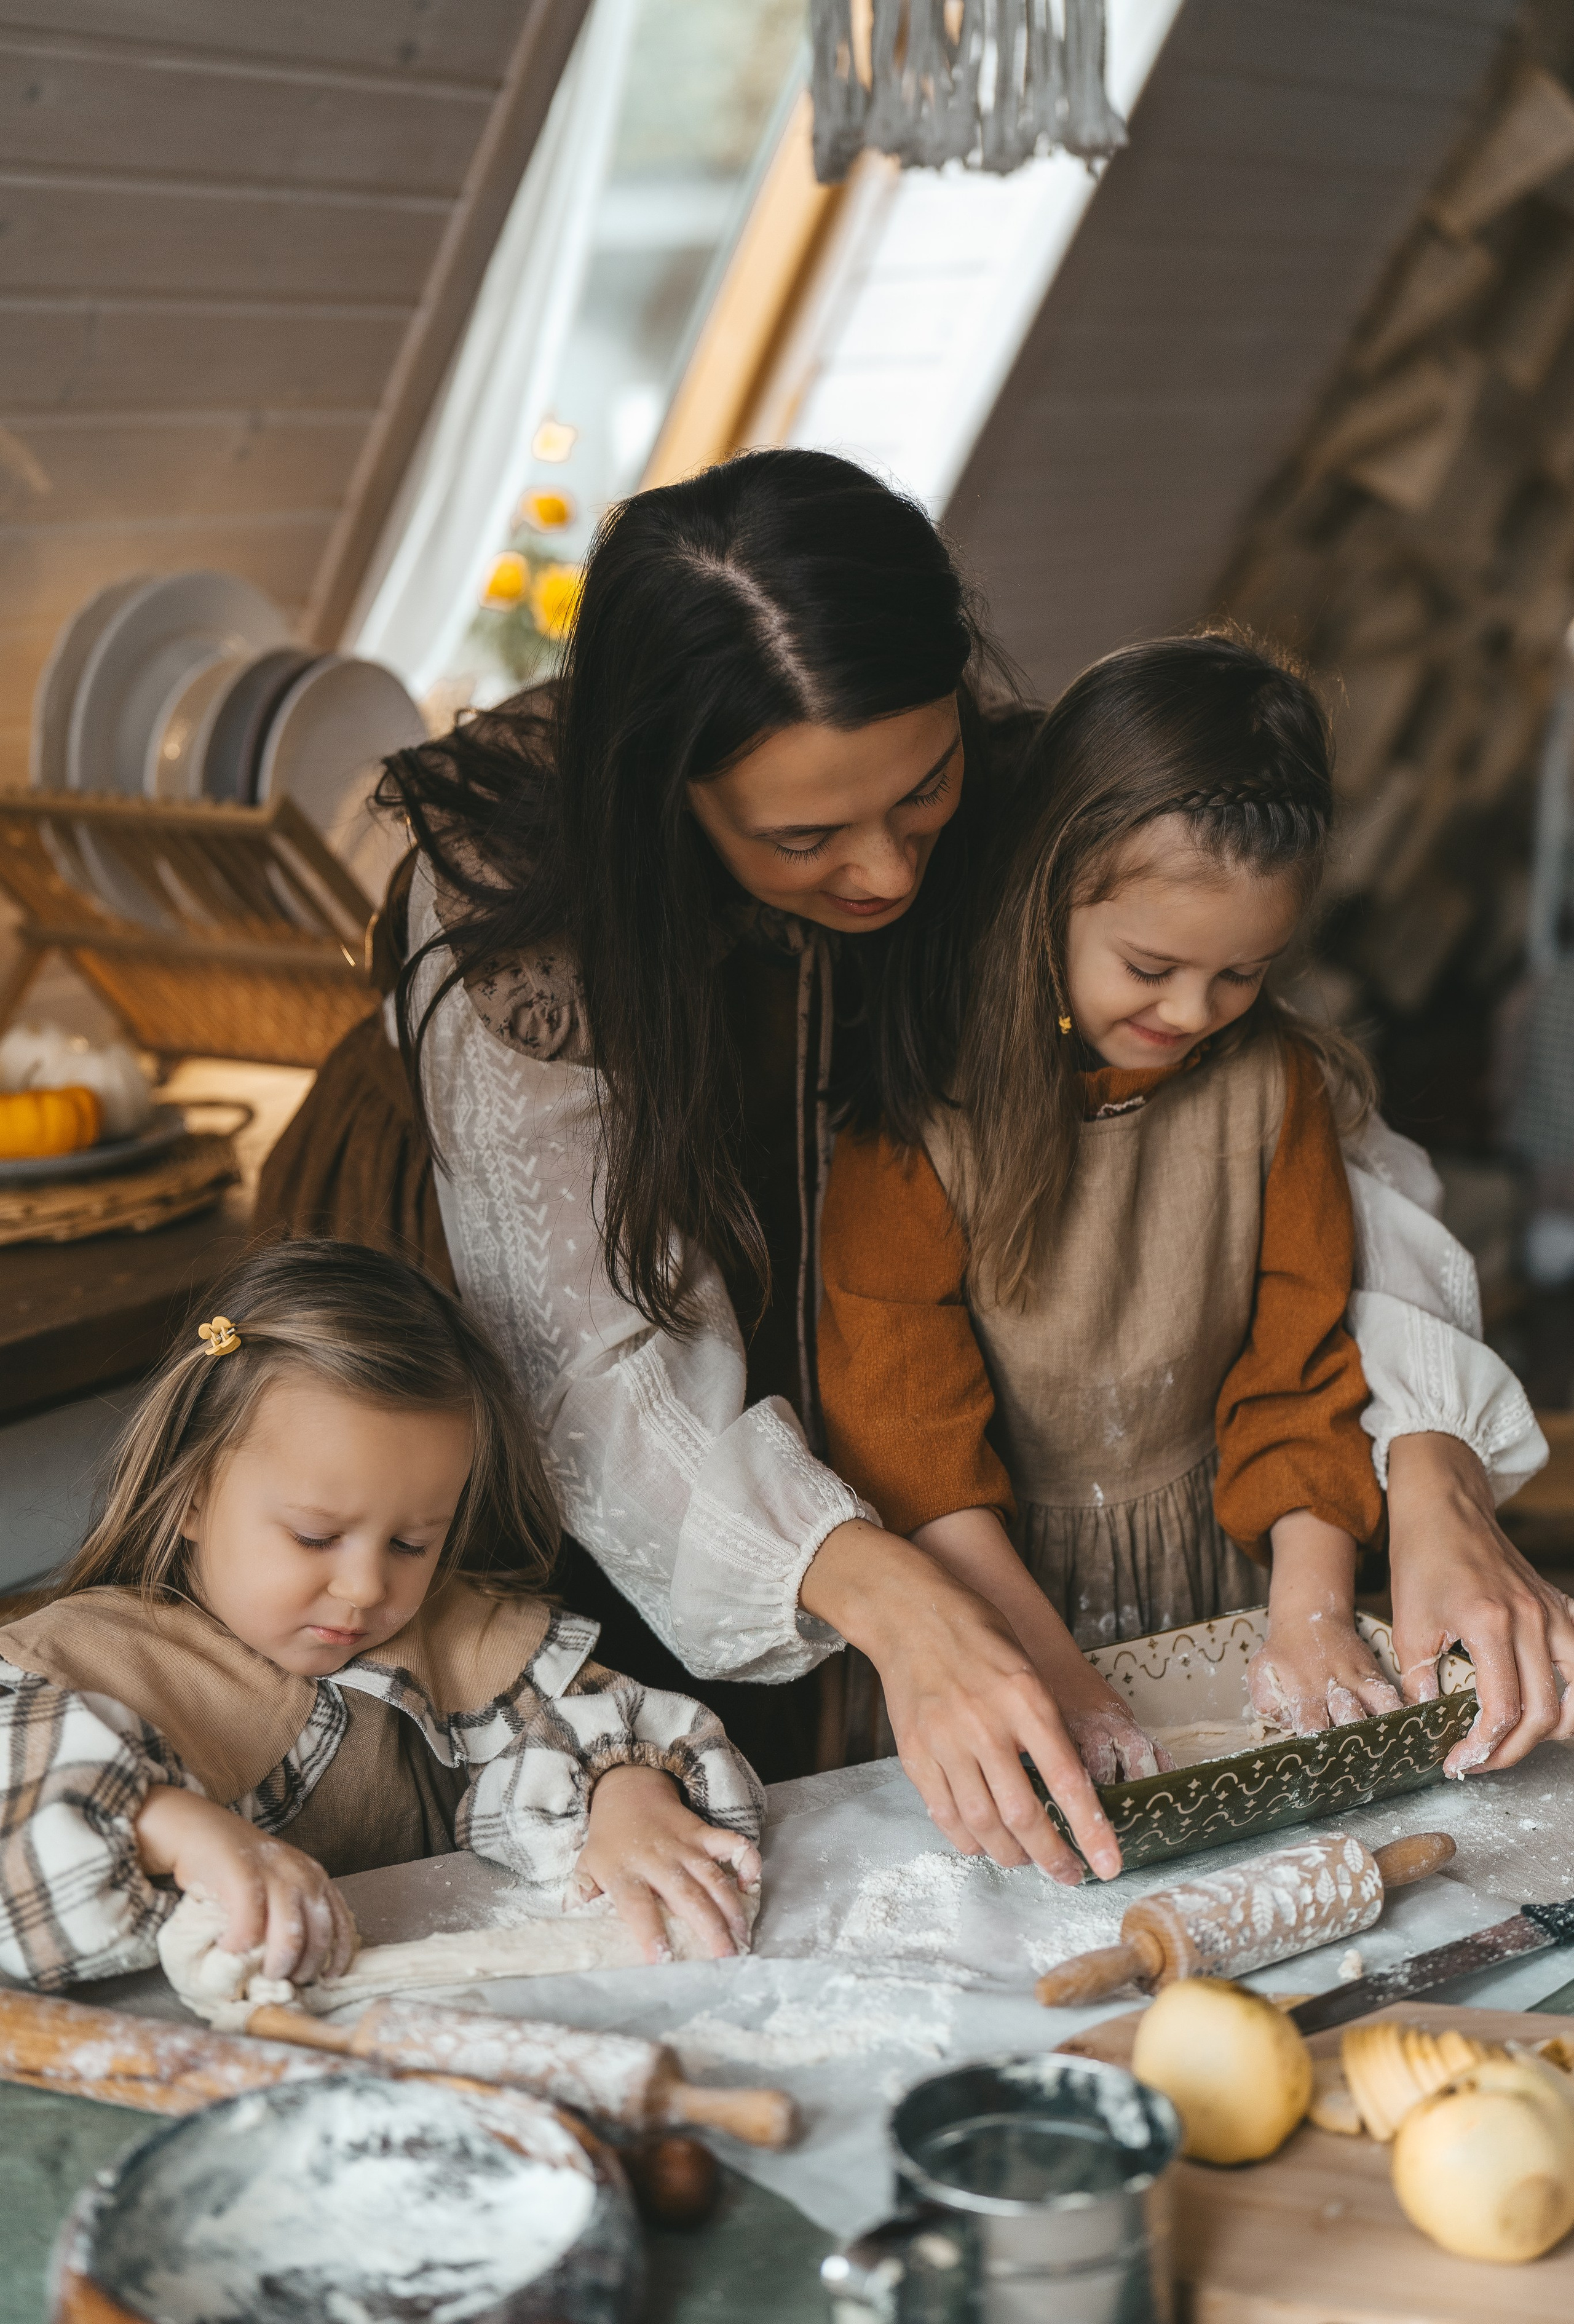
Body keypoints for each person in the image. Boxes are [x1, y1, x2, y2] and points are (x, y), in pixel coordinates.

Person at [255, 450, 1565, 1886]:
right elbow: (593, 1372)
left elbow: (1332, 1167)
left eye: (919, 793)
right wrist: (890, 1585)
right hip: (467, 1333)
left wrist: (1428, 1458)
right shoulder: (512, 892)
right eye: (804, 836)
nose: (884, 873)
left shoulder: (1023, 792)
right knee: (531, 1791)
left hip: (839, 1299)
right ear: (668, 796)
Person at [820, 634, 1415, 1777]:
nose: (1195, 1010)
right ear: (1050, 888)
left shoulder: (1274, 1090)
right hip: (981, 1592)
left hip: (1213, 1574)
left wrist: (1310, 1617)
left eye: (1241, 974)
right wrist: (1042, 1665)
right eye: (1150, 967)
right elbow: (911, 1447)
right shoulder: (917, 1119)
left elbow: (1297, 1384)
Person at [0, 1240, 762, 1993]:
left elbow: (604, 1724)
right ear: (192, 1494)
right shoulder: (82, 1659)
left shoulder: (458, 1638)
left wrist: (625, 1796)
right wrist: (168, 1826)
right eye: (314, 1536)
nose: (366, 1587)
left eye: (410, 1542)